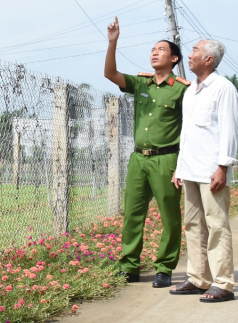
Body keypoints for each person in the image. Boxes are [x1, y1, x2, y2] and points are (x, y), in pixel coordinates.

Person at [104, 16, 190, 289]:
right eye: (153, 49)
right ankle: (129, 266)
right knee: (132, 214)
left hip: (167, 159)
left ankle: (164, 267)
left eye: (161, 49)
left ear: (174, 59)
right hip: (139, 158)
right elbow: (110, 74)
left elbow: (189, 130)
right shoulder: (142, 84)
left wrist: (182, 164)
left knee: (169, 215)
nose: (154, 52)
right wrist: (112, 43)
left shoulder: (182, 91)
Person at [169, 39, 238, 302]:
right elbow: (186, 134)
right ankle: (198, 279)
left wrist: (223, 167)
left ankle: (223, 283)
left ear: (209, 59)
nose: (189, 55)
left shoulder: (223, 88)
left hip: (212, 171)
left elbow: (230, 131)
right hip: (190, 169)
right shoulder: (191, 91)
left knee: (217, 225)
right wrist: (179, 168)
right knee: (193, 224)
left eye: (195, 51)